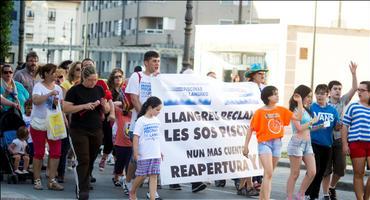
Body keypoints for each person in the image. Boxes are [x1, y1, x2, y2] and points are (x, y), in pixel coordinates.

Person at [243, 85, 303, 200]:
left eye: (277, 93)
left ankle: (262, 198)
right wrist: (245, 146)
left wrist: (299, 102)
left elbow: (299, 117)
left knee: (268, 175)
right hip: (264, 143)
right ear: (267, 97)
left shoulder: (281, 110)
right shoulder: (259, 112)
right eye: (274, 94)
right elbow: (250, 128)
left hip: (277, 144)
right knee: (269, 172)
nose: (277, 96)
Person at [63, 65, 110, 200]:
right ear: (84, 78)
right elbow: (66, 108)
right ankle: (82, 191)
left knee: (91, 159)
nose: (93, 82)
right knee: (83, 159)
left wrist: (104, 105)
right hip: (79, 129)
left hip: (96, 129)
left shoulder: (99, 89)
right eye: (90, 80)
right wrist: (84, 106)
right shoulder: (74, 90)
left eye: (95, 79)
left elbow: (106, 110)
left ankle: (85, 181)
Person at [125, 51, 163, 196]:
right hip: (139, 121)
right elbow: (134, 99)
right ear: (146, 62)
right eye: (154, 61)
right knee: (137, 157)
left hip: (153, 122)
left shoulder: (158, 78)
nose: (157, 64)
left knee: (152, 155)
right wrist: (145, 116)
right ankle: (128, 181)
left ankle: (151, 191)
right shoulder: (138, 76)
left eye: (158, 61)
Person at [322, 61, 358, 200]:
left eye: (339, 89)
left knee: (341, 169)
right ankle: (326, 194)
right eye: (335, 88)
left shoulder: (343, 101)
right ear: (329, 91)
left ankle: (332, 187)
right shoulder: (324, 103)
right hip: (326, 140)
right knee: (326, 170)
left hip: (339, 140)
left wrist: (353, 74)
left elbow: (354, 88)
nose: (338, 91)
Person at [30, 64, 64, 191]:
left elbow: (60, 106)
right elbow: (35, 100)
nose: (56, 75)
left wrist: (63, 118)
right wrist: (49, 94)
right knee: (39, 152)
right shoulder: (38, 86)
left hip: (54, 123)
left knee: (56, 152)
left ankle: (52, 180)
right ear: (46, 74)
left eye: (56, 73)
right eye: (53, 72)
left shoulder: (59, 89)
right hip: (39, 122)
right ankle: (37, 180)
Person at [81, 58, 114, 184]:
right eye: (85, 66)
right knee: (84, 152)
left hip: (98, 121)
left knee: (94, 150)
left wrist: (111, 112)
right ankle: (84, 177)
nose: (88, 68)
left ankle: (88, 172)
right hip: (81, 124)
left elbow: (109, 99)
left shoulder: (101, 83)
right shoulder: (78, 85)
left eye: (90, 65)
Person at [305, 84, 340, 200]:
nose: (319, 96)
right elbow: (305, 124)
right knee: (315, 169)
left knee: (321, 172)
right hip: (313, 143)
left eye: (322, 93)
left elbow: (336, 127)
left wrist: (339, 126)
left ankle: (310, 193)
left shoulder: (332, 110)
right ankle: (311, 195)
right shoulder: (311, 107)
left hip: (327, 144)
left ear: (327, 95)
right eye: (317, 93)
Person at [286, 85, 318, 200]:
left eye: (310, 97)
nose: (310, 99)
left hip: (307, 144)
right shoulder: (294, 110)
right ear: (301, 96)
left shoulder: (307, 110)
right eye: (308, 96)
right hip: (297, 144)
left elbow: (308, 128)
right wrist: (311, 122)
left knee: (312, 172)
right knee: (295, 174)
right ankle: (289, 197)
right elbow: (299, 128)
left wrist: (318, 126)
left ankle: (300, 194)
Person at [129, 96, 162, 200]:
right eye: (157, 110)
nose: (159, 112)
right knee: (142, 175)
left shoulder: (157, 121)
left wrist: (160, 151)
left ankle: (152, 197)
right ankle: (133, 191)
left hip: (155, 153)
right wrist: (135, 152)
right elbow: (135, 137)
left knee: (154, 176)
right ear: (150, 108)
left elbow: (157, 138)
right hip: (144, 153)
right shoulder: (141, 120)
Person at [342, 81, 370, 200]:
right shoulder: (353, 106)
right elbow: (344, 125)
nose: (359, 92)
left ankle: (366, 197)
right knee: (359, 174)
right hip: (356, 143)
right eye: (358, 90)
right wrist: (344, 144)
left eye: (362, 90)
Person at [106, 68, 133, 187]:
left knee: (128, 158)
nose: (118, 79)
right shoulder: (111, 91)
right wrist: (117, 104)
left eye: (120, 76)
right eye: (116, 76)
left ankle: (124, 177)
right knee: (119, 156)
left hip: (129, 135)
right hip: (115, 127)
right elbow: (109, 105)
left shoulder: (126, 92)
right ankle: (117, 174)